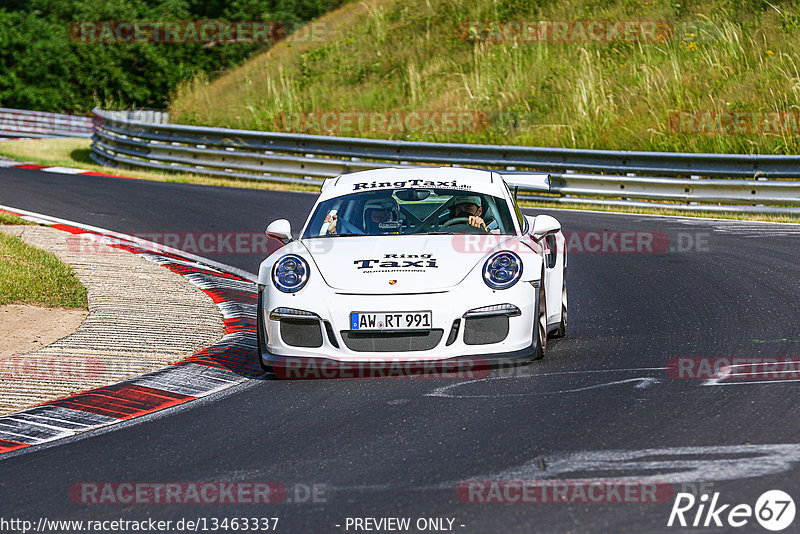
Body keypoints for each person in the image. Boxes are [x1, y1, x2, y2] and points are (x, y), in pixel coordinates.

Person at [323, 198, 399, 235]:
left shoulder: (400, 234)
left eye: (383, 216)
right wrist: (333, 230)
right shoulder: (354, 234)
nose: (379, 219)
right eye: (375, 216)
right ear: (367, 217)